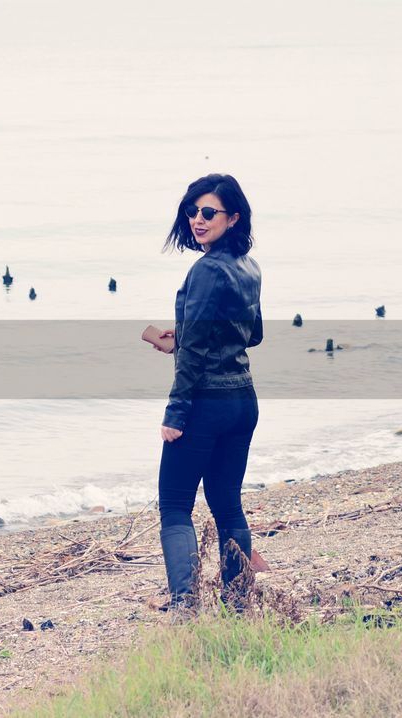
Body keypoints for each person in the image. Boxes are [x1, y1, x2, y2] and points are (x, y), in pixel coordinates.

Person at [152, 174, 263, 614]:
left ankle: (185, 607)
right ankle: (238, 605)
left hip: (205, 404)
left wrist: (175, 413)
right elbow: (251, 335)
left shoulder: (205, 270)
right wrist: (187, 335)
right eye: (192, 211)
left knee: (176, 505)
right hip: (243, 401)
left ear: (233, 217)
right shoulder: (249, 267)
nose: (197, 220)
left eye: (209, 212)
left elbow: (196, 351)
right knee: (226, 503)